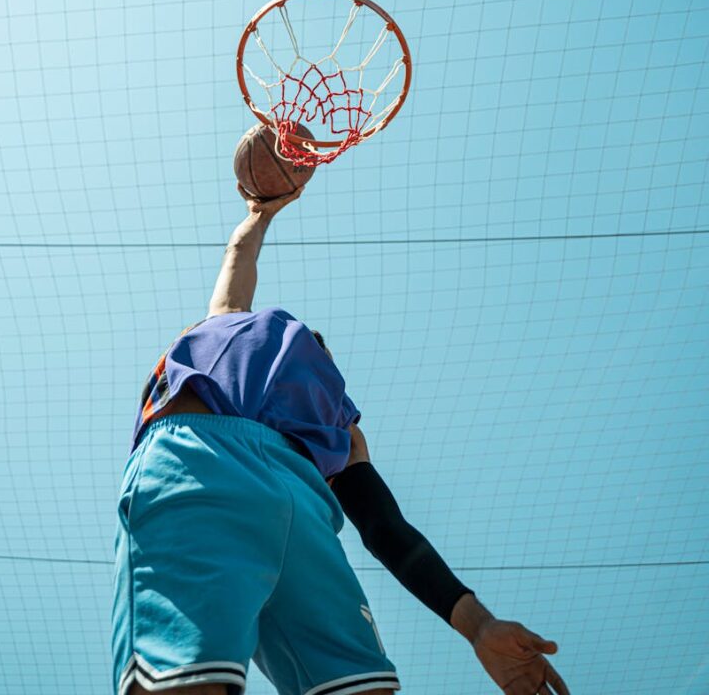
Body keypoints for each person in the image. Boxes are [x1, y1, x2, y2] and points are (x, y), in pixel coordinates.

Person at [113, 184, 570, 695]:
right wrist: (259, 214)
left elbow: (385, 526)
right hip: (246, 476)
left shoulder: (338, 418)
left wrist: (480, 627)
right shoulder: (239, 330)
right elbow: (386, 529)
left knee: (190, 674)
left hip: (236, 475)